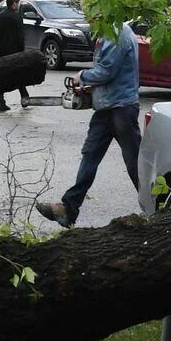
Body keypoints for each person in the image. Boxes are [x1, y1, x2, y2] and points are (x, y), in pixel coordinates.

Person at [34, 18, 141, 229]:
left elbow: (106, 71)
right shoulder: (110, 31)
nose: (89, 21)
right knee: (90, 154)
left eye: (92, 15)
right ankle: (68, 208)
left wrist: (81, 76)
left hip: (121, 107)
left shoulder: (116, 32)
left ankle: (159, 207)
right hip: (107, 108)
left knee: (135, 162)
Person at [0, 0, 31, 112]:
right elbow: (20, 37)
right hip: (15, 52)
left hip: (1, 52)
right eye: (18, 4)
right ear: (13, 4)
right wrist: (21, 51)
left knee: (1, 78)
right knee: (19, 76)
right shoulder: (17, 18)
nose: (18, 6)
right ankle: (25, 98)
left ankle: (1, 102)